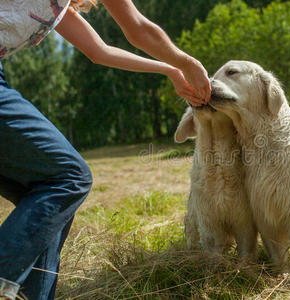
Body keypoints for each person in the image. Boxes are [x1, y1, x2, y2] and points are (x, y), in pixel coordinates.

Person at [0, 0, 211, 299]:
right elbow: (138, 27)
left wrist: (171, 69)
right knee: (70, 177)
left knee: (47, 206)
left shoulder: (56, 7)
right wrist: (187, 62)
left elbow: (99, 51)